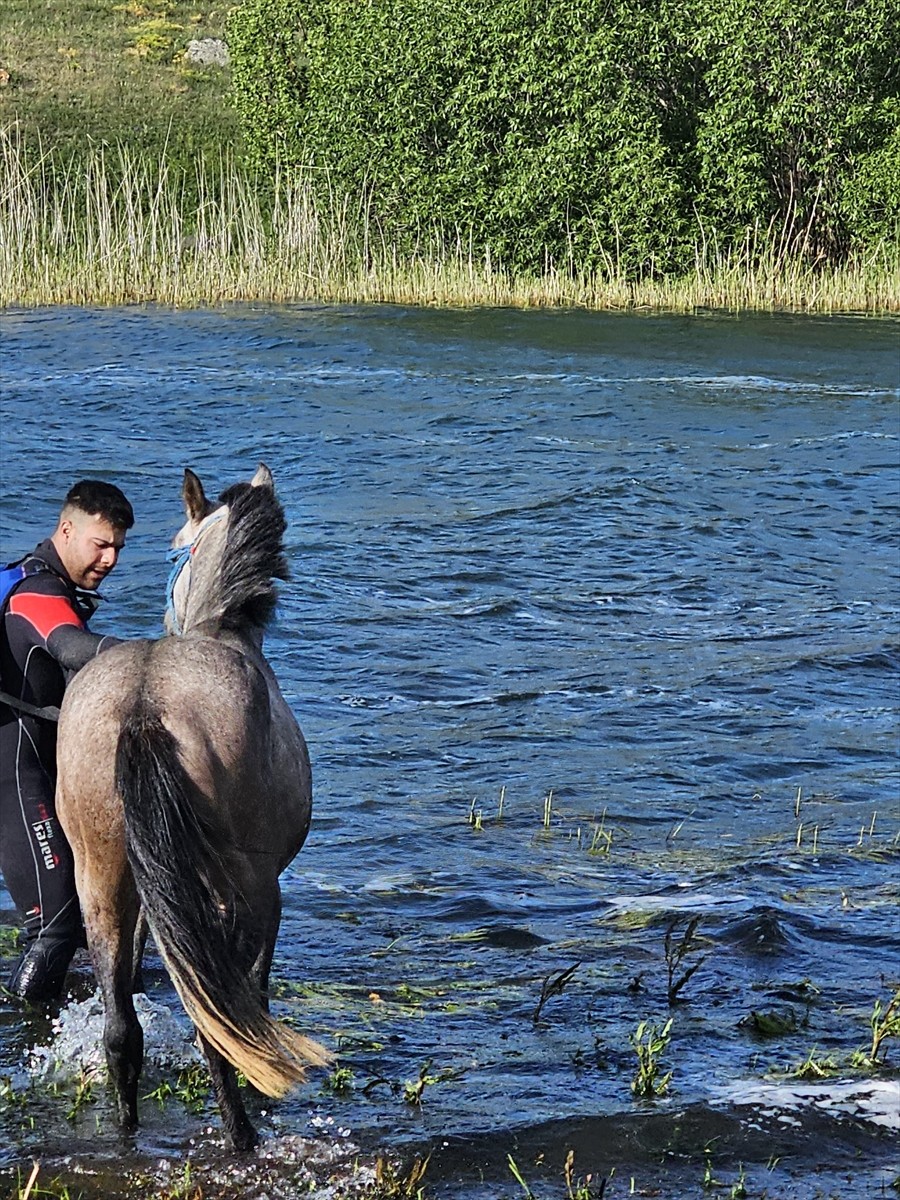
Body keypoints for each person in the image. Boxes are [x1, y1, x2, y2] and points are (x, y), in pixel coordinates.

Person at [0, 479, 134, 1002]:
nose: (110, 559)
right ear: (66, 530)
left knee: (80, 926)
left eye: (118, 547)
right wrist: (157, 656)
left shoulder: (43, 581)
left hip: (40, 770)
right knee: (54, 929)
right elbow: (72, 647)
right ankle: (22, 1035)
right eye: (100, 544)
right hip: (16, 776)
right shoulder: (37, 591)